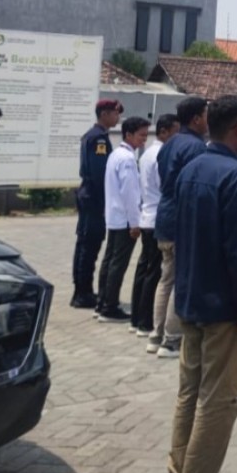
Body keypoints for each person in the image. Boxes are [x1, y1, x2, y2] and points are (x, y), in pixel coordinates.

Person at [167, 95, 237, 473]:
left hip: (190, 298)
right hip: (223, 306)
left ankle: (178, 467)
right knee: (219, 400)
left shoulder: (190, 169)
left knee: (189, 392)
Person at [152, 97, 210, 358]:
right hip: (181, 220)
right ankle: (172, 339)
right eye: (206, 114)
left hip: (164, 217)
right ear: (197, 119)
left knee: (167, 278)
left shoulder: (170, 143)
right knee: (180, 279)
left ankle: (157, 333)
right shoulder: (197, 148)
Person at [98, 116, 151, 323]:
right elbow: (130, 193)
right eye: (141, 135)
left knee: (109, 260)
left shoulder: (115, 155)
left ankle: (103, 301)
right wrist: (135, 223)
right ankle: (110, 306)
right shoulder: (128, 159)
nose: (144, 140)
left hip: (114, 215)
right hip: (124, 218)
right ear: (128, 134)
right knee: (117, 263)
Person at [72, 99, 122, 308]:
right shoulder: (98, 139)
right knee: (89, 246)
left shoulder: (94, 136)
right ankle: (82, 293)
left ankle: (82, 290)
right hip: (94, 197)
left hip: (89, 196)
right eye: (114, 113)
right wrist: (106, 201)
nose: (117, 118)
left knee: (85, 244)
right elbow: (100, 173)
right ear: (104, 114)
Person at [135, 114, 177, 341]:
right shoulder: (161, 154)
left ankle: (140, 319)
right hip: (157, 216)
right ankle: (147, 322)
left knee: (145, 271)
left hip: (148, 216)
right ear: (163, 132)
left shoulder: (147, 153)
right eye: (174, 132)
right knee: (156, 274)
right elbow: (166, 186)